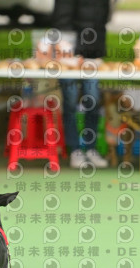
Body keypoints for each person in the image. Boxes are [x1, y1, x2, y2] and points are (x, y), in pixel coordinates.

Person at [52, 0, 110, 169]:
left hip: (92, 51)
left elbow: (102, 21)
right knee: (70, 102)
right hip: (68, 50)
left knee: (93, 100)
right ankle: (75, 150)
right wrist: (66, 47)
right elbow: (61, 18)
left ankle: (91, 149)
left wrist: (98, 51)